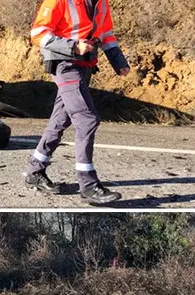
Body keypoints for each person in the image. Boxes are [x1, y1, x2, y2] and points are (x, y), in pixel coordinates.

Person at [24, 0, 130, 204]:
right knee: (87, 119)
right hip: (64, 64)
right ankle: (88, 186)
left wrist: (119, 62)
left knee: (60, 119)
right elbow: (38, 33)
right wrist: (73, 46)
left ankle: (34, 171)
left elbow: (106, 34)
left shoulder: (101, 3)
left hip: (85, 65)